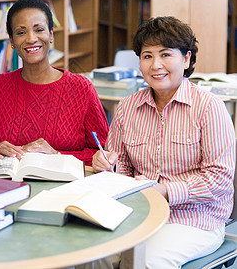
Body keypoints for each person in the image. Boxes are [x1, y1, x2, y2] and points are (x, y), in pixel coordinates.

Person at [92, 16, 235, 268]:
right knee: (92, 255)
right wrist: (107, 167)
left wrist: (165, 191)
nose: (155, 65)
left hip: (194, 220)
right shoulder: (127, 108)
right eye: (147, 56)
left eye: (166, 54)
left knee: (145, 262)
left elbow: (219, 180)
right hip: (137, 213)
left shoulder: (209, 108)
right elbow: (120, 169)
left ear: (186, 59)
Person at [0, 0, 109, 166]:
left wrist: (57, 155)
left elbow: (103, 153)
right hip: (10, 186)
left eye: (39, 29)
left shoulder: (81, 88)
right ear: (12, 41)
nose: (31, 39)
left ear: (51, 35)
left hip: (68, 188)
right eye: (21, 32)